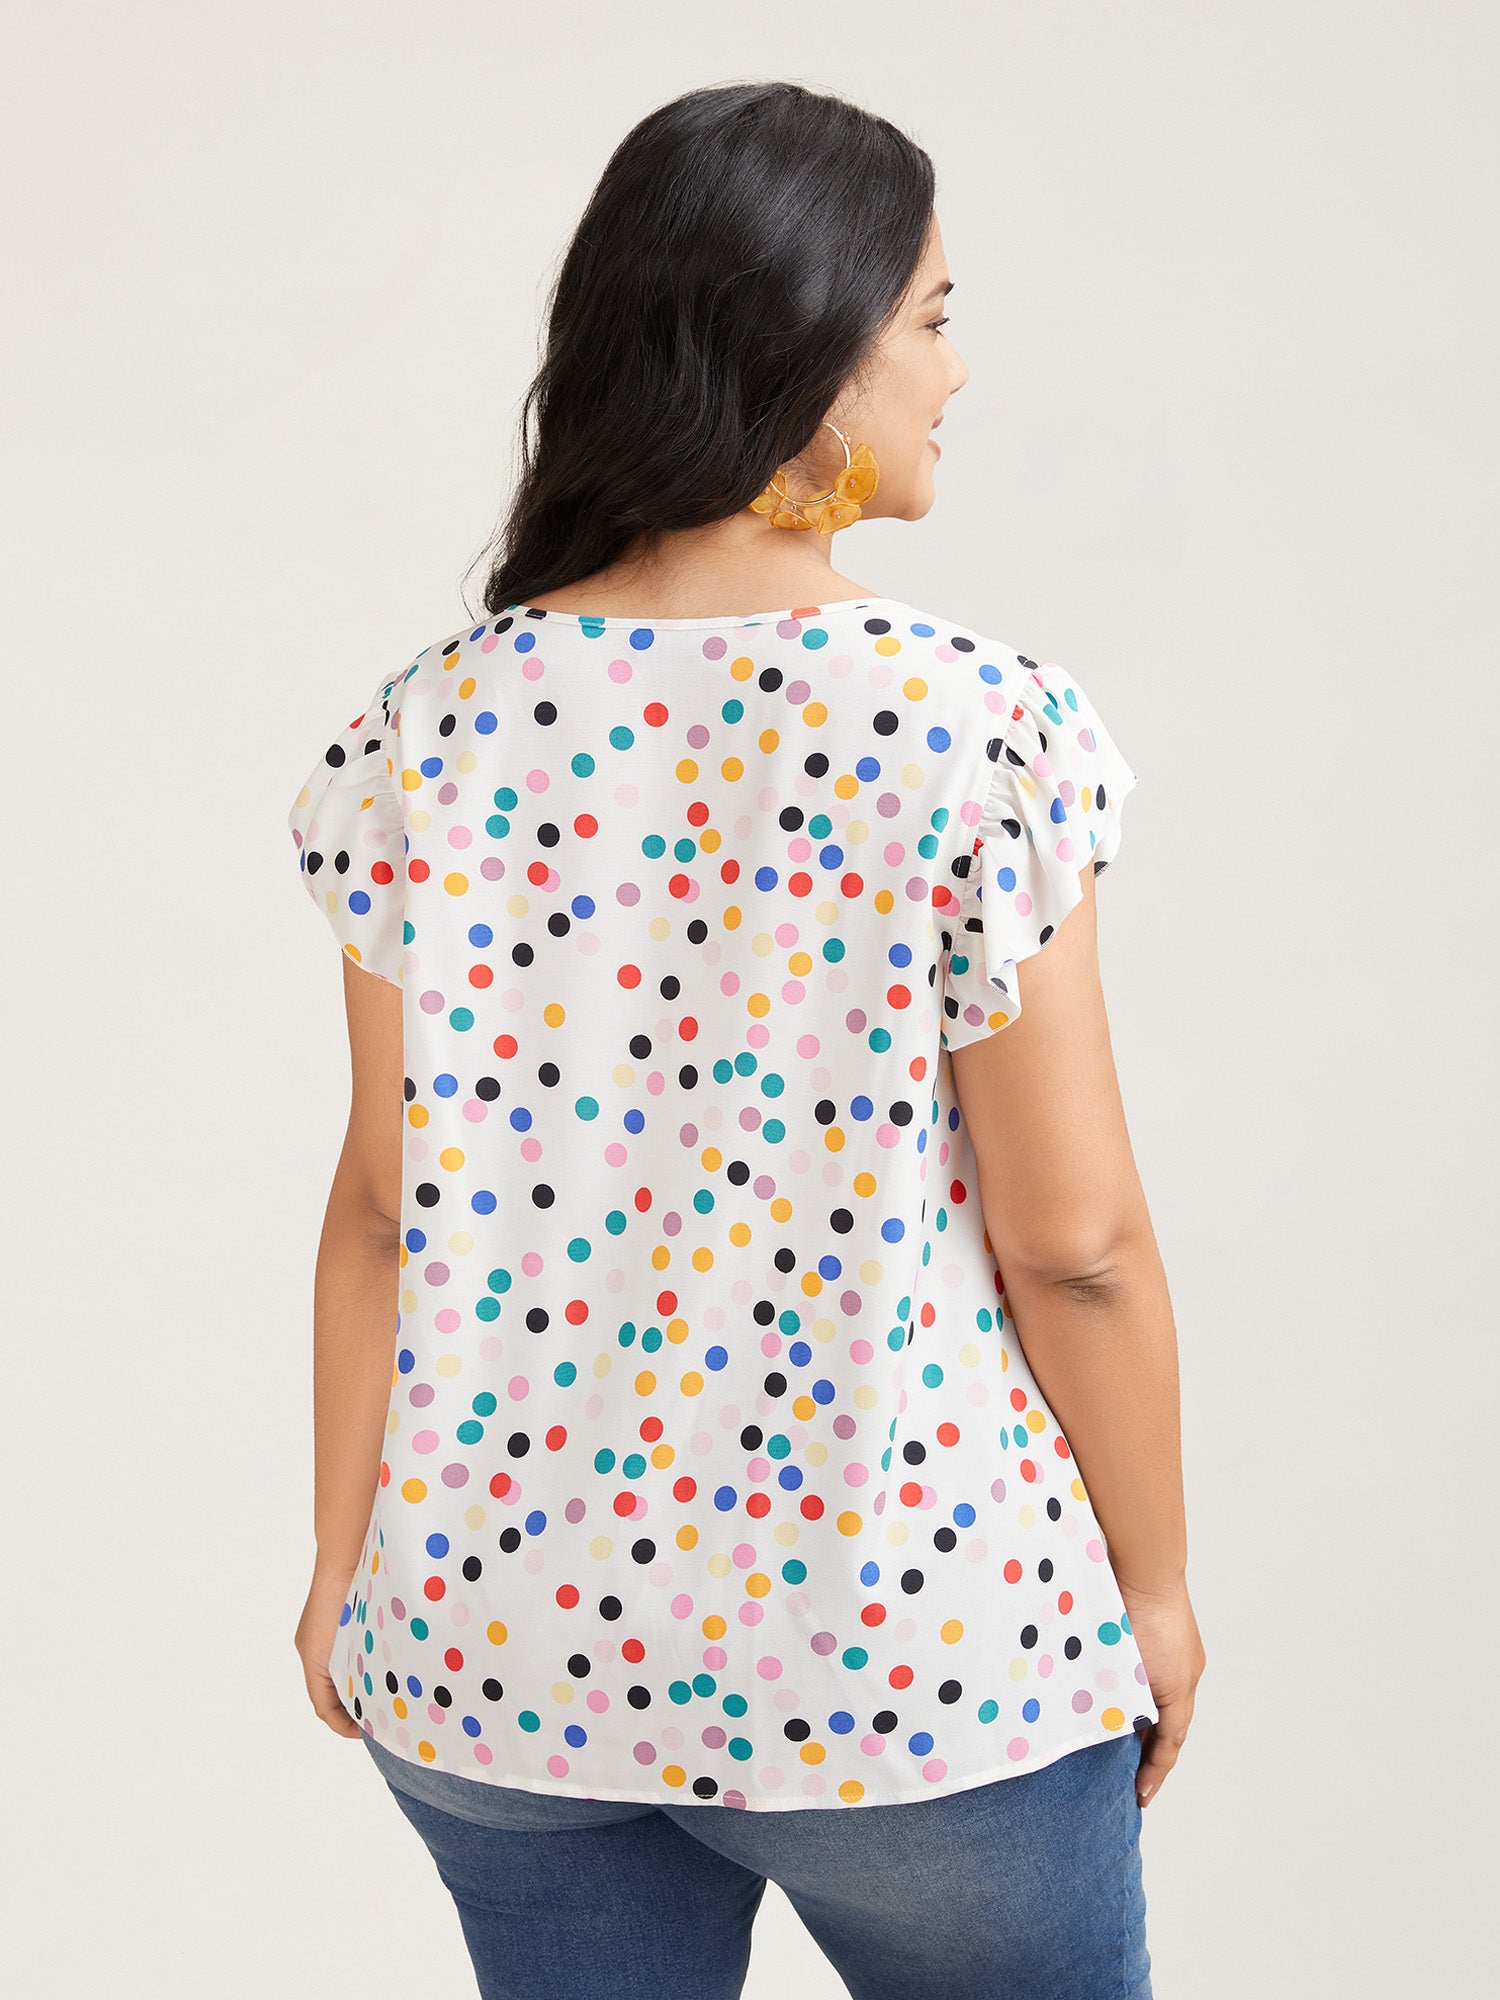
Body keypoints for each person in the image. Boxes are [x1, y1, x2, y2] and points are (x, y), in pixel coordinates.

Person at [287, 78, 1204, 2000]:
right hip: (911, 1667)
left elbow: (383, 1207)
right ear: (811, 340)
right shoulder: (974, 729)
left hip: (496, 1658)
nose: (959, 368)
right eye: (933, 317)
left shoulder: (426, 733)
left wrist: (338, 1561)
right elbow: (1077, 1245)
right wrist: (1154, 1590)